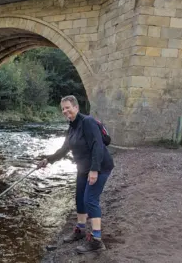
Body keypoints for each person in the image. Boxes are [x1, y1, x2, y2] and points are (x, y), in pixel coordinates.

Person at [37, 95, 114, 253]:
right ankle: (80, 230)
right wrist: (48, 160)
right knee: (79, 197)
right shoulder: (71, 126)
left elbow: (97, 145)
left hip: (100, 166)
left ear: (76, 107)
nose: (65, 111)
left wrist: (94, 170)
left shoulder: (88, 122)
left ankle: (97, 240)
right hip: (83, 168)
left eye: (68, 107)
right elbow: (64, 149)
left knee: (90, 199)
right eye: (63, 109)